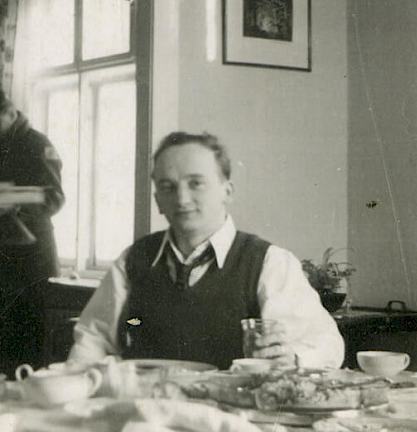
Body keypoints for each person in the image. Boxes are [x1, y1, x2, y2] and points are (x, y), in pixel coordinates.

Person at [69, 131, 345, 370]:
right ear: (157, 201)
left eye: (196, 183)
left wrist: (293, 357)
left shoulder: (268, 263)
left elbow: (326, 344)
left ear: (228, 190)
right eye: (168, 187)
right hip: (149, 414)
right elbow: (92, 342)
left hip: (236, 418)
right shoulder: (133, 261)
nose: (182, 198)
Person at [0, 89, 65, 377]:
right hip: (1, 259)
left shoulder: (38, 145)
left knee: (27, 350)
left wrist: (17, 210)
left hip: (30, 261)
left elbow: (55, 198)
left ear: (12, 114)